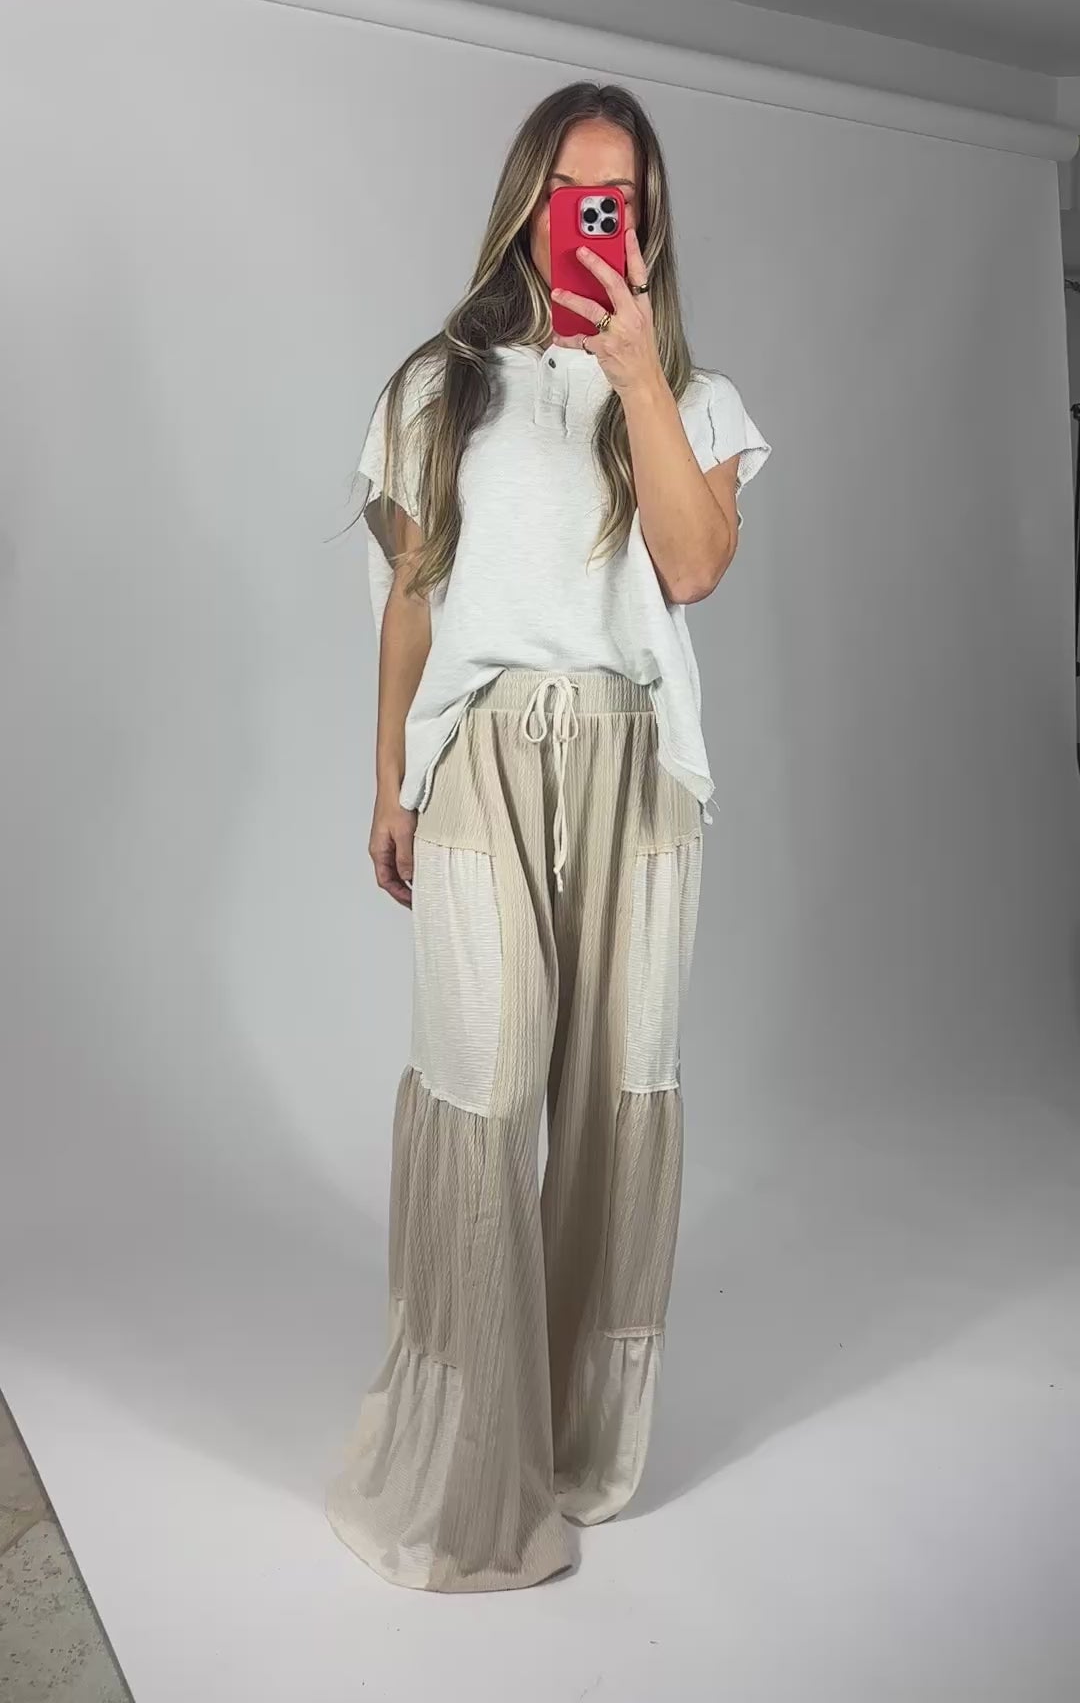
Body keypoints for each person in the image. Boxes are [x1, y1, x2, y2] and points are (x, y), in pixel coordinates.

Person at [325, 80, 772, 1593]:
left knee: (611, 1093)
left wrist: (636, 374)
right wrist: (388, 781)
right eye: (570, 193)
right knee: (484, 1081)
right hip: (483, 756)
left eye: (619, 198)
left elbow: (693, 569)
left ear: (647, 222)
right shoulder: (440, 388)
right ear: (525, 207)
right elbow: (411, 599)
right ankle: (471, 1461)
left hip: (637, 766)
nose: (593, 218)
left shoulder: (697, 401)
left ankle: (579, 1440)